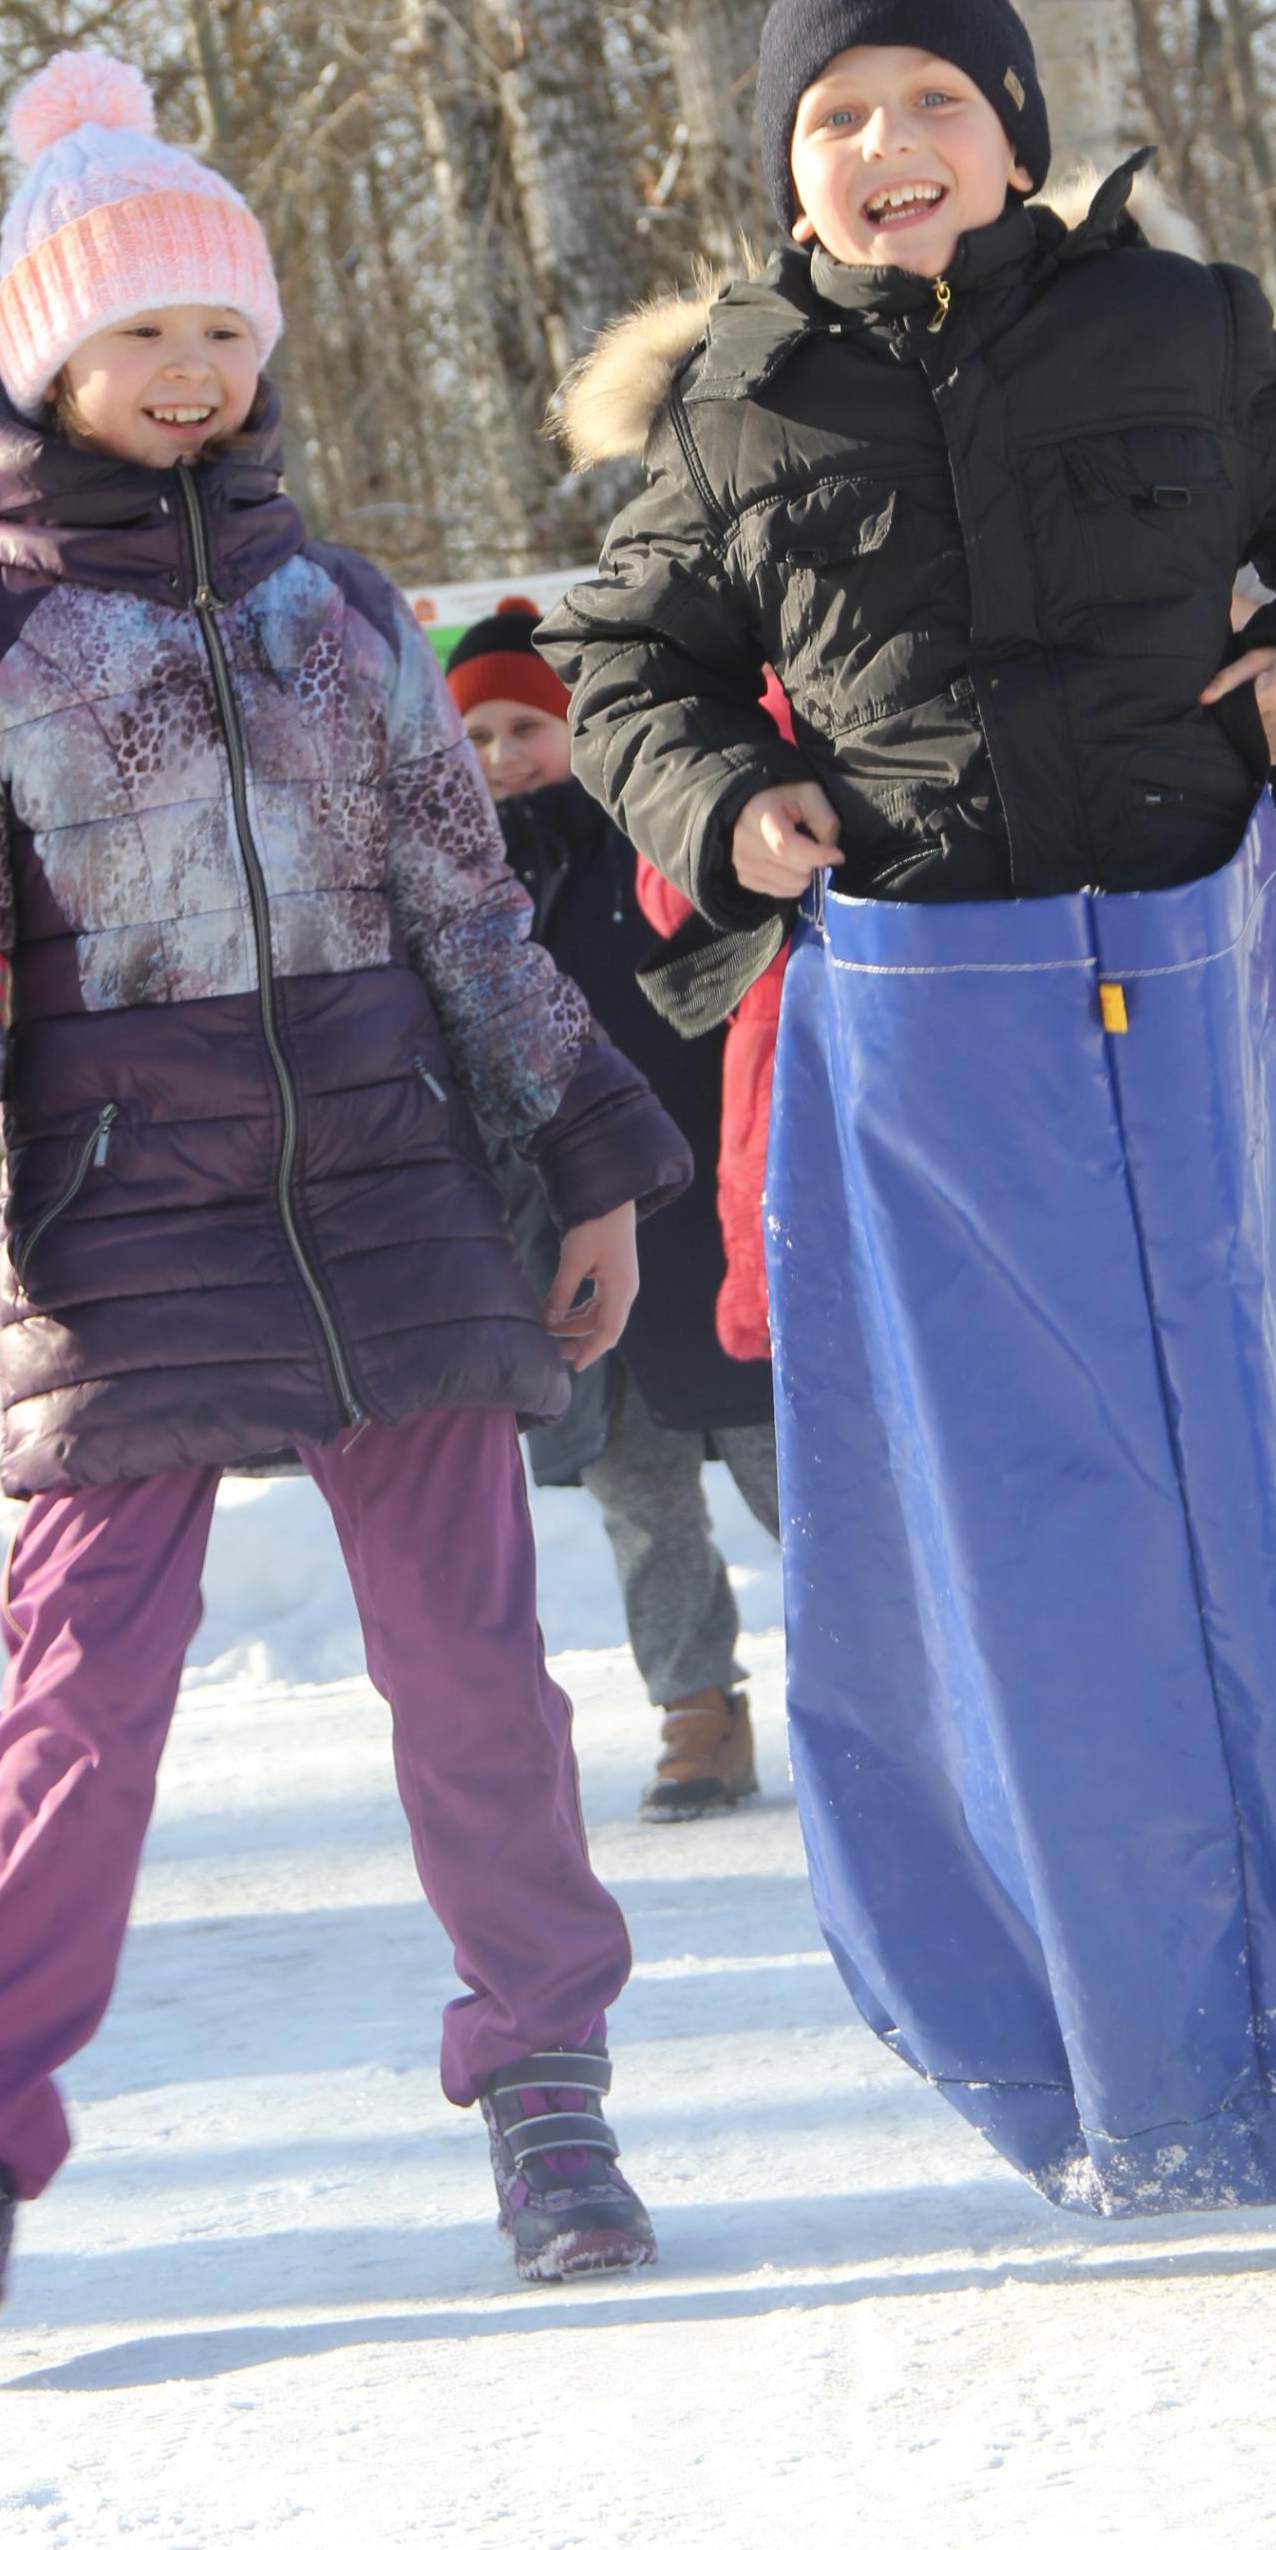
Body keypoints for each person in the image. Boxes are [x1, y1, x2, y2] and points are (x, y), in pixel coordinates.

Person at [542, 0, 1276, 2218]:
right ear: (785, 171)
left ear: (1010, 125)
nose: (883, 148)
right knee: (1023, 1553)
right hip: (929, 1028)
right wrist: (725, 799)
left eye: (927, 99)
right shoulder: (739, 404)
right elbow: (617, 663)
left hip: (1205, 998)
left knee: (1264, 1492)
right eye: (832, 119)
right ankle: (1117, 2057)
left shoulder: (1175, 327)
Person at [0, 53, 690, 2359]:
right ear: (51, 361)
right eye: (145, 334)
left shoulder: (348, 615)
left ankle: (545, 2081)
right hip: (123, 1230)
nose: (194, 370)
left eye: (224, 329)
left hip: (397, 1199)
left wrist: (591, 1158)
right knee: (78, 1704)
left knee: (474, 1670)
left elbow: (469, 915)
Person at [445, 600, 780, 1819]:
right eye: (477, 736)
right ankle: (696, 1707)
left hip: (697, 1222)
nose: (502, 757)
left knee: (788, 1470)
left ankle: (897, 1678)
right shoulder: (456, 886)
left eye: (526, 727)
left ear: (580, 730)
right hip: (556, 1240)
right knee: (638, 1496)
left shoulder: (650, 850)